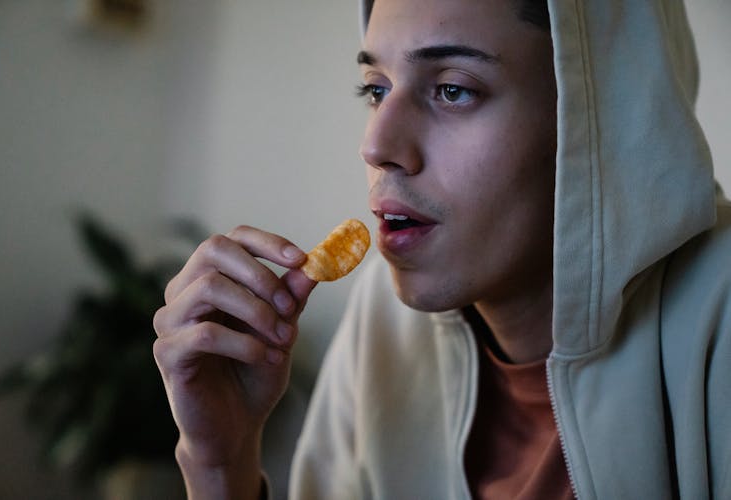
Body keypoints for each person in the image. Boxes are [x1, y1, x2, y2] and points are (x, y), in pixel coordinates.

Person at [152, 0, 731, 498]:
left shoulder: (719, 319)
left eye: (454, 89)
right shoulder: (381, 320)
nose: (375, 144)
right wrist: (219, 466)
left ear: (601, 119)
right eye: (375, 89)